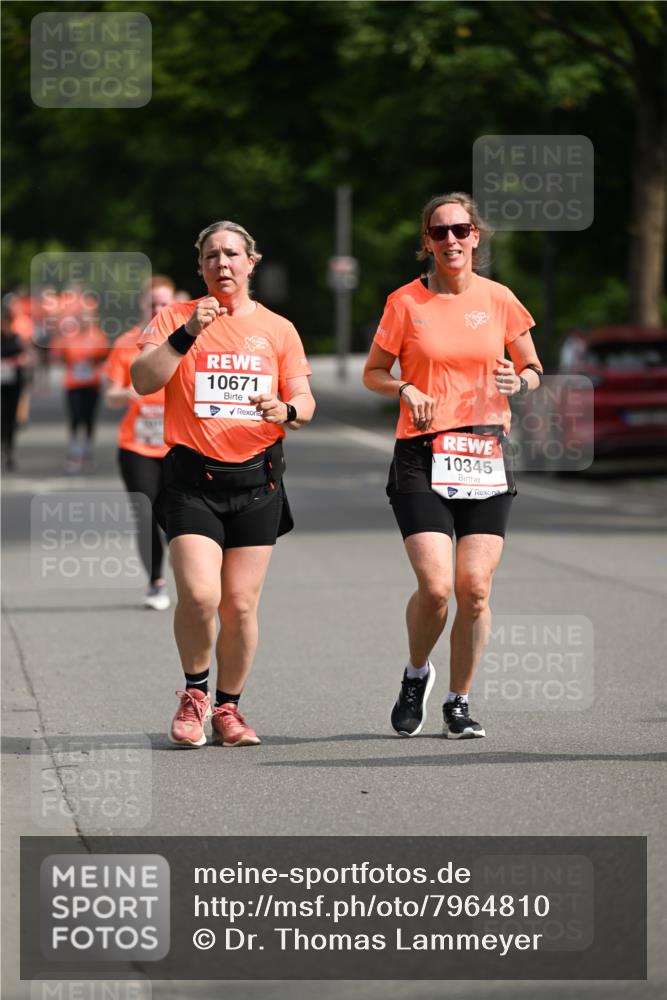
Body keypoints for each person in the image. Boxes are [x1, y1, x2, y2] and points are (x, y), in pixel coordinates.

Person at [363, 192, 543, 740]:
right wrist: (404, 386)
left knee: (476, 588)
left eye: (459, 230)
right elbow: (374, 372)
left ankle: (458, 702)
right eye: (438, 233)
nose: (450, 241)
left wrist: (522, 381)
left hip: (484, 453)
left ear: (475, 237)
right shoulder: (404, 303)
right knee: (438, 587)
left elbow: (532, 365)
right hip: (421, 452)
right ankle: (416, 674)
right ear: (426, 243)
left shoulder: (499, 299)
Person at [131, 220, 315, 748]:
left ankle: (229, 709)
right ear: (201, 268)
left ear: (251, 263)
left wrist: (287, 408)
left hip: (257, 481)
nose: (222, 264)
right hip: (192, 481)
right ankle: (194, 695)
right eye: (211, 256)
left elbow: (304, 401)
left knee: (238, 605)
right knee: (199, 594)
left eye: (232, 254)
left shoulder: (278, 329)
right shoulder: (174, 318)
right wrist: (188, 332)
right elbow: (143, 381)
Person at [104, 276, 176, 610]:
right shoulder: (127, 343)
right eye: (152, 304)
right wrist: (128, 392)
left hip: (180, 446)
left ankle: (190, 568)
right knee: (146, 514)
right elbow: (111, 395)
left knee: (179, 517)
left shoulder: (187, 340)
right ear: (142, 306)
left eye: (164, 303)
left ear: (173, 304)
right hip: (137, 447)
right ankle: (156, 582)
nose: (157, 309)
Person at [51, 308, 109, 472]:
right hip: (73, 383)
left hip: (92, 383)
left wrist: (92, 360)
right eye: (82, 318)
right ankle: (74, 453)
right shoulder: (69, 336)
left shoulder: (98, 336)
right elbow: (59, 354)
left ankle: (87, 453)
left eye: (88, 318)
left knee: (89, 418)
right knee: (75, 416)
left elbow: (105, 355)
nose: (85, 321)